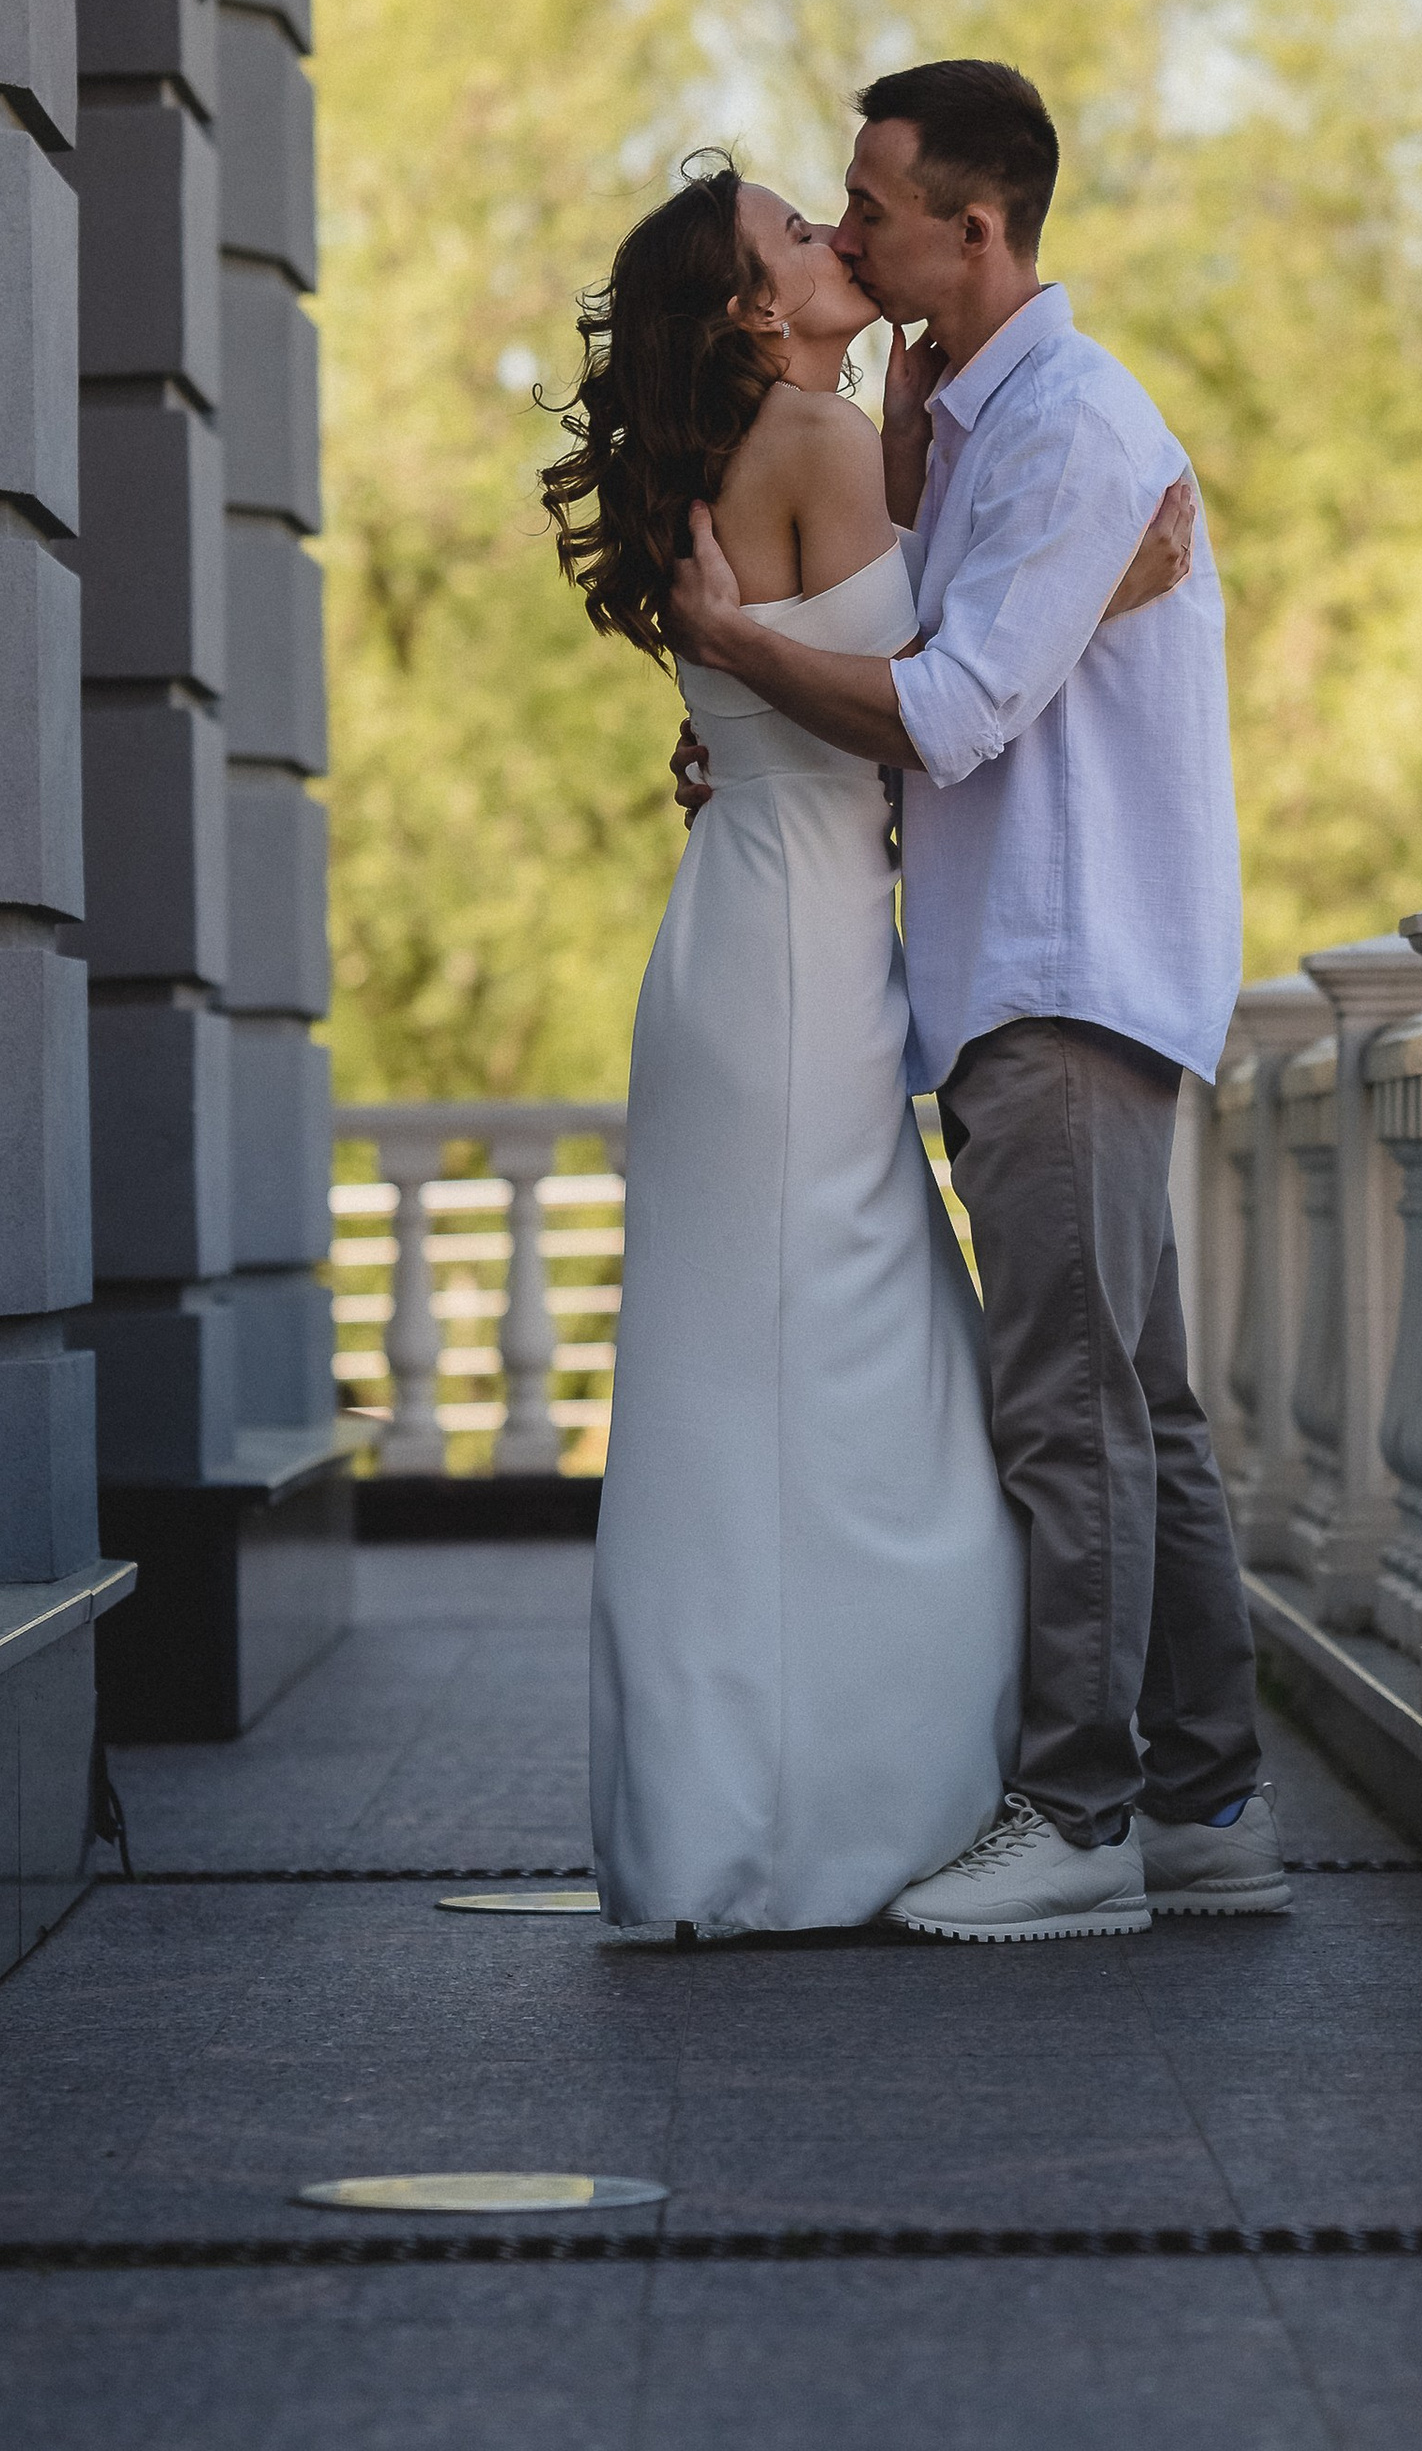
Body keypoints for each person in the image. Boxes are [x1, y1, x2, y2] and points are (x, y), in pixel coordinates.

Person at [665, 61, 1285, 1942]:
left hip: (1064, 972)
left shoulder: (1077, 430)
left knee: (1067, 1409)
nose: (848, 228)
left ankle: (1080, 1809)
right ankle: (1208, 1797)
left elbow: (947, 709)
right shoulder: (981, 421)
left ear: (976, 224)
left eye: (872, 200)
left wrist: (736, 646)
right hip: (1026, 966)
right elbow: (933, 659)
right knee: (1137, 1405)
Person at [540, 155, 1188, 1934]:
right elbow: (951, 689)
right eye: (795, 233)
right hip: (803, 963)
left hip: (751, 935)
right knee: (847, 1366)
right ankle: (859, 1806)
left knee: (783, 1370)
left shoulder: (784, 444)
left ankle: (737, 1812)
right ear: (754, 305)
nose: (836, 239)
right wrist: (1115, 579)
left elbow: (820, 691)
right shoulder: (814, 444)